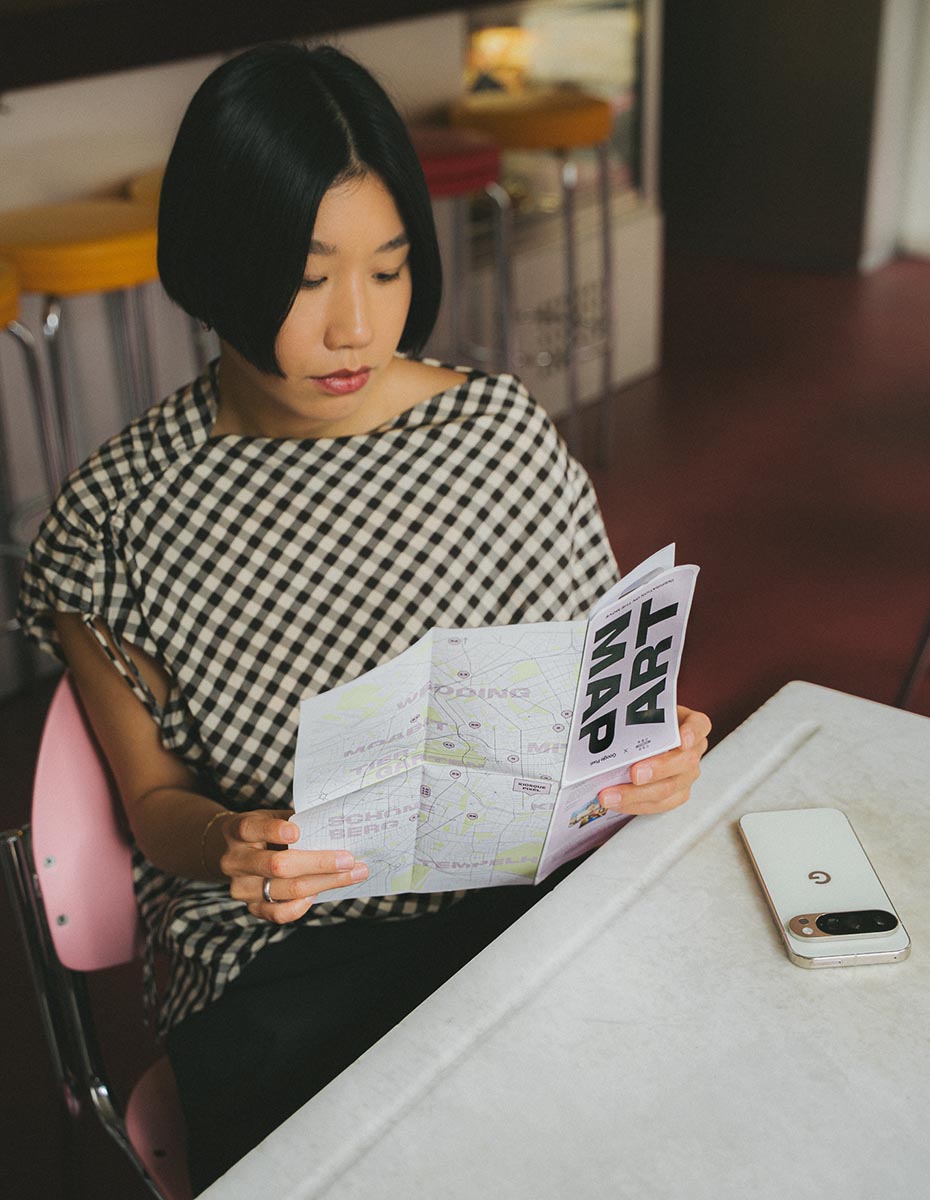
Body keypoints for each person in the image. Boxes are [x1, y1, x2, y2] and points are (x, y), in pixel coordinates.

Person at [18, 42, 711, 1192]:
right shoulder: (118, 516)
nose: (356, 327)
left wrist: (656, 755)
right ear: (215, 259)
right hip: (283, 960)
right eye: (306, 276)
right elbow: (153, 808)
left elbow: (598, 713)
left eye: (388, 270)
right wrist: (230, 843)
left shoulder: (494, 439)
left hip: (515, 908)